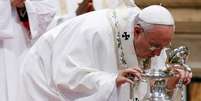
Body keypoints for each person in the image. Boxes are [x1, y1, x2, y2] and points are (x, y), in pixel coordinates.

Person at [18, 5, 192, 101]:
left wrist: (170, 83)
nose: (158, 54)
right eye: (155, 47)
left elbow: (147, 91)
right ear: (137, 31)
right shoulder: (94, 33)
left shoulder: (153, 36)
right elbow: (66, 76)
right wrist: (111, 81)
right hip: (44, 83)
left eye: (165, 46)